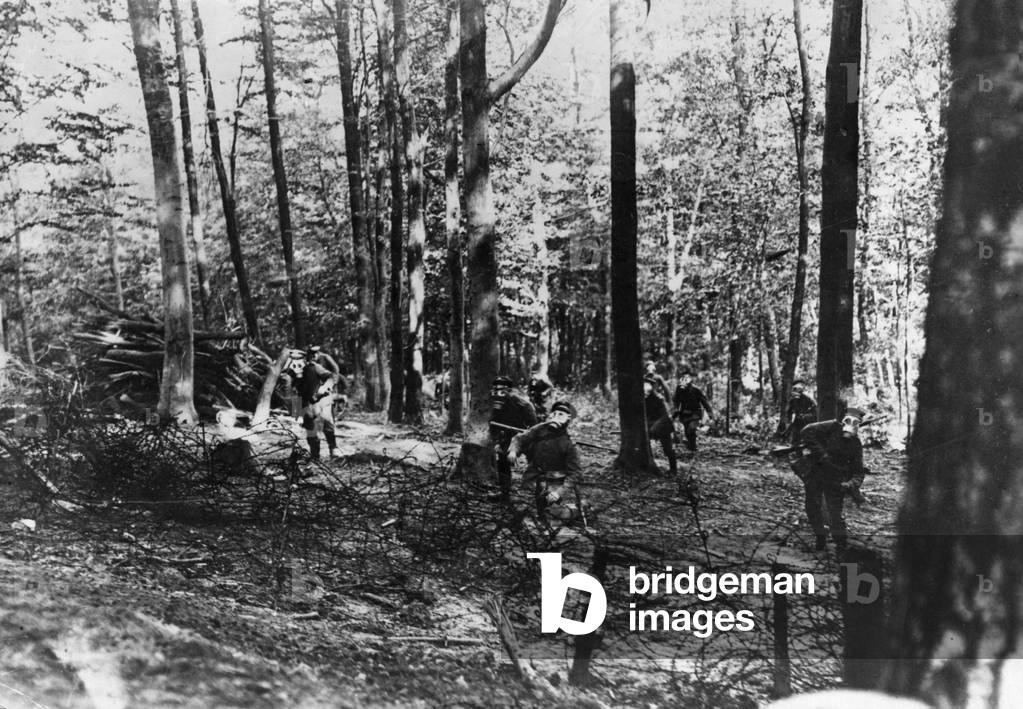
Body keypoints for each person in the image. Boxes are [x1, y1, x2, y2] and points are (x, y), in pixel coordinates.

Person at [798, 407, 866, 554]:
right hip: (816, 473)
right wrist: (822, 455)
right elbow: (806, 431)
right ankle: (820, 539)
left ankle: (841, 547)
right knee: (812, 508)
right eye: (848, 421)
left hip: (835, 480)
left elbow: (859, 472)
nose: (851, 425)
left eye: (856, 423)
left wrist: (850, 484)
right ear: (843, 421)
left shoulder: (855, 445)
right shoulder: (831, 427)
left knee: (835, 514)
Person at [507, 400, 582, 522]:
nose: (555, 417)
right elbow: (519, 438)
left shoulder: (569, 443)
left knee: (552, 515)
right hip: (533, 476)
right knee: (521, 509)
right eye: (554, 413)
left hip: (555, 481)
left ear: (568, 419)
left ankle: (574, 512)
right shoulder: (539, 429)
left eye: (561, 415)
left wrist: (559, 492)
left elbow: (576, 474)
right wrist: (513, 451)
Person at [489, 376, 537, 501]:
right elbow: (494, 424)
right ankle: (504, 493)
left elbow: (534, 427)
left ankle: (540, 494)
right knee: (502, 462)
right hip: (508, 437)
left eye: (502, 391)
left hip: (527, 437)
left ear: (509, 391)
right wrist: (499, 442)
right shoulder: (495, 403)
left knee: (536, 463)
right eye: (495, 391)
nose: (498, 394)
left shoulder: (523, 404)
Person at [300, 346, 340, 460]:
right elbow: (294, 391)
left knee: (327, 424)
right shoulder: (296, 371)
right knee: (310, 429)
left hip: (322, 399)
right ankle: (314, 455)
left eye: (315, 354)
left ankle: (333, 449)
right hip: (307, 402)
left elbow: (333, 375)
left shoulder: (317, 366)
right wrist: (296, 411)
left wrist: (325, 387)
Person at [672, 370, 716, 451]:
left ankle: (693, 447)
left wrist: (711, 416)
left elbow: (705, 403)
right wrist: (675, 411)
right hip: (684, 414)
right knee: (687, 432)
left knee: (691, 428)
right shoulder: (679, 389)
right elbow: (676, 400)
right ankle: (692, 446)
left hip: (695, 413)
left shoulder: (696, 390)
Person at [645, 375, 678, 476]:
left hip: (663, 426)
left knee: (668, 449)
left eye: (649, 384)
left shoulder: (659, 398)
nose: (646, 386)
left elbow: (665, 416)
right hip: (650, 425)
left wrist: (654, 427)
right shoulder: (643, 398)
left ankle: (673, 469)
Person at [785, 380, 818, 447]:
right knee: (795, 435)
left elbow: (815, 410)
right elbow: (789, 411)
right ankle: (796, 446)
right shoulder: (792, 400)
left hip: (808, 420)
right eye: (794, 390)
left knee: (807, 436)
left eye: (798, 390)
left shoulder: (807, 399)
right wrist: (789, 421)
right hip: (798, 420)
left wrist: (806, 415)